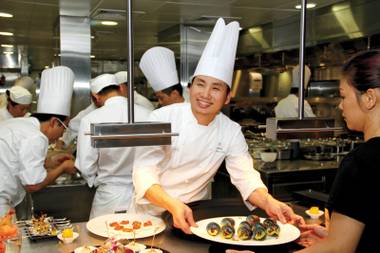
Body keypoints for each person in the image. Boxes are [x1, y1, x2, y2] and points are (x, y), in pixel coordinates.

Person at [132, 18, 303, 234]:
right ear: (190, 87)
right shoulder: (160, 118)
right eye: (200, 84)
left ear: (227, 97)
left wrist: (269, 202)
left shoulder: (230, 131)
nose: (205, 94)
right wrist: (171, 203)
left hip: (195, 217)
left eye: (216, 88)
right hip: (149, 217)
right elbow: (143, 173)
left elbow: (245, 176)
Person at [228, 50, 380, 253]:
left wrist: (334, 242)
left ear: (369, 98)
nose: (340, 105)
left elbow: (339, 250)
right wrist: (332, 237)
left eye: (343, 96)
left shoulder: (362, 162)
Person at [0, 66, 77, 216]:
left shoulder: (21, 124)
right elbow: (33, 185)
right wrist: (62, 168)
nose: (62, 135)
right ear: (54, 122)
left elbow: (16, 160)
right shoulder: (36, 137)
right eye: (64, 128)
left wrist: (49, 162)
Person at [75, 74, 151, 218]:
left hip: (110, 197)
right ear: (120, 89)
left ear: (96, 97)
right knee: (144, 237)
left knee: (106, 238)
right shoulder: (148, 114)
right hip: (145, 195)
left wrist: (97, 180)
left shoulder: (90, 120)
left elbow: (85, 166)